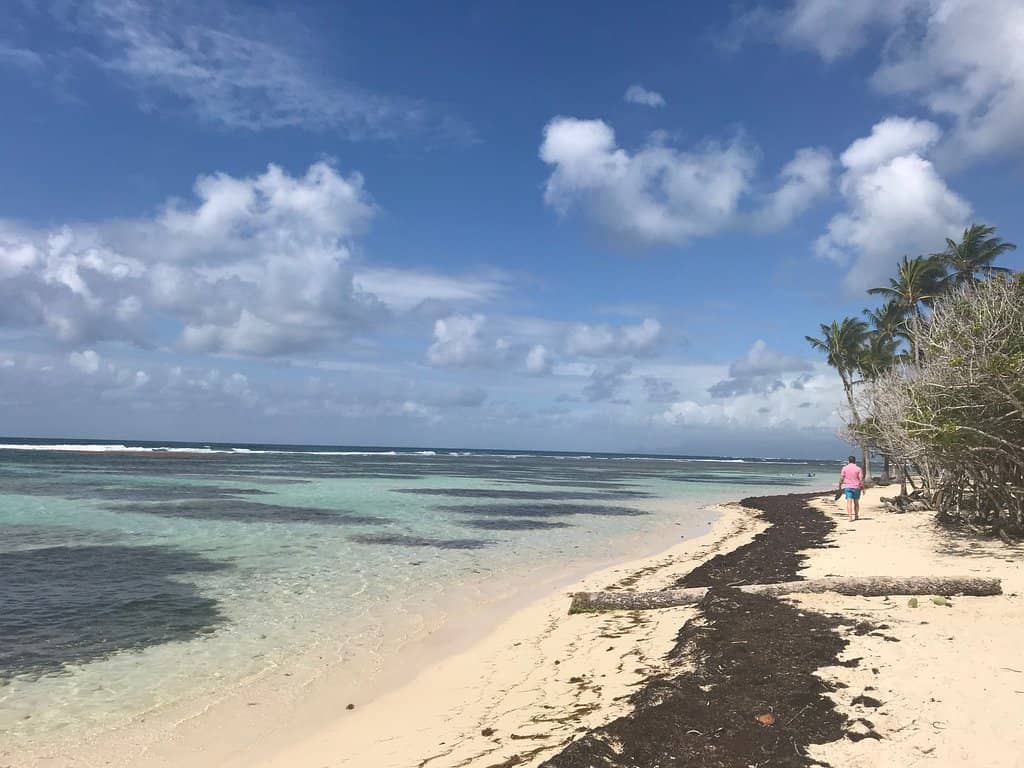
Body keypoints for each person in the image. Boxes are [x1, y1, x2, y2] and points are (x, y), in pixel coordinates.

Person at [839, 455, 864, 521]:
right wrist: (863, 488)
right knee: (856, 502)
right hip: (856, 487)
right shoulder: (858, 469)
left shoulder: (844, 468)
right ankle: (856, 515)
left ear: (848, 461)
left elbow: (841, 478)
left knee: (849, 502)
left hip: (848, 487)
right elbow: (861, 479)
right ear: (855, 461)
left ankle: (850, 517)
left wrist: (840, 485)